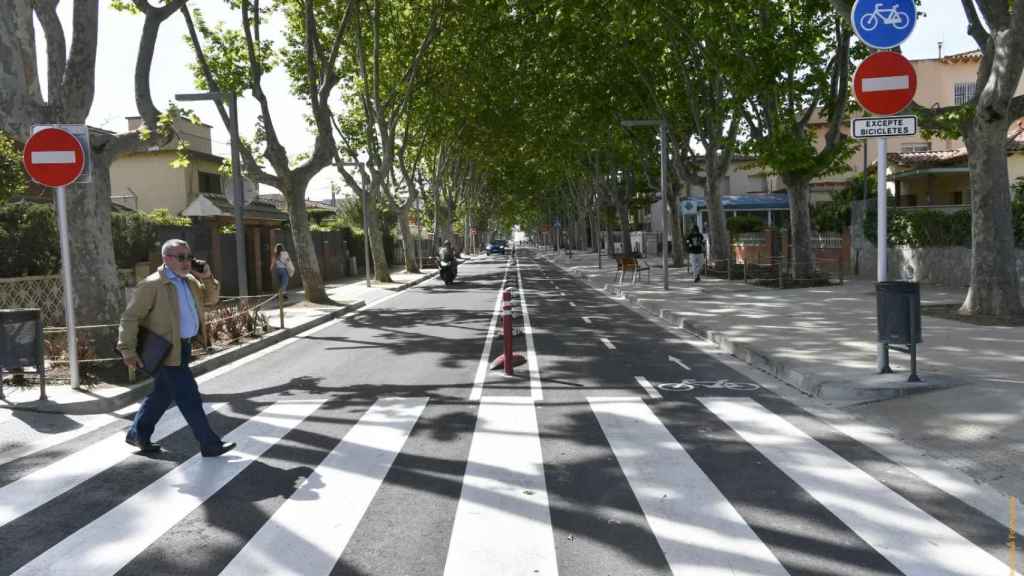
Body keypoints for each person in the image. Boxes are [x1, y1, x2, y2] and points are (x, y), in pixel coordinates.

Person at [117, 239, 236, 457]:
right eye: (180, 257)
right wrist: (127, 349)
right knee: (189, 396)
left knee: (162, 394)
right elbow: (130, 317)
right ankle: (209, 444)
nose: (186, 262)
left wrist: (208, 277)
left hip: (184, 348)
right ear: (166, 259)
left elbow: (211, 299)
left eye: (189, 257)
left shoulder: (190, 281)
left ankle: (137, 433)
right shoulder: (152, 285)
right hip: (164, 351)